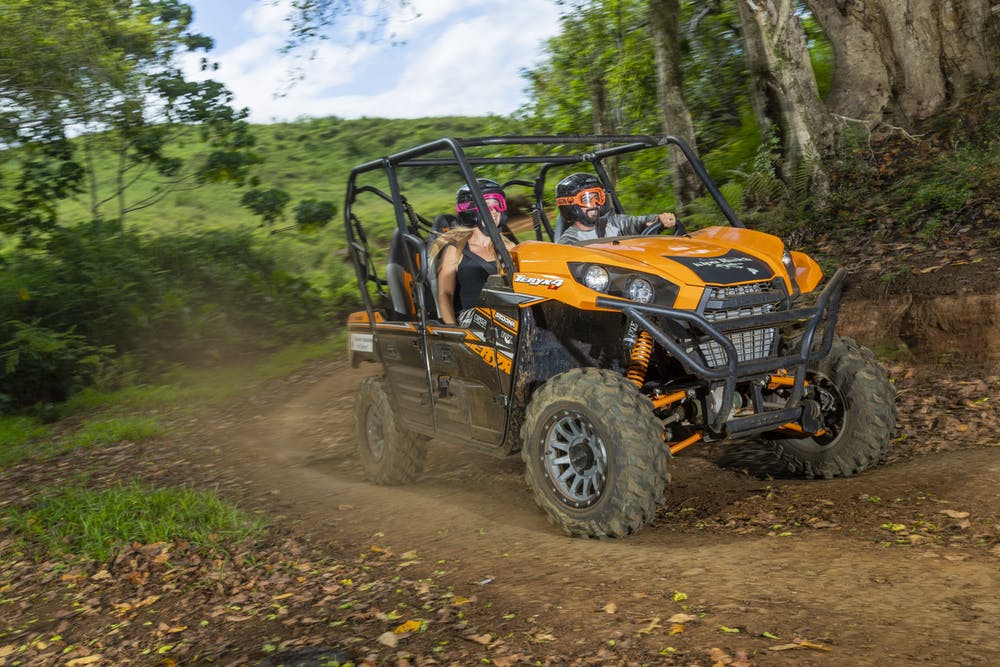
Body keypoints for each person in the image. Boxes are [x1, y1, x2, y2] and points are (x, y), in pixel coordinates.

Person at [429, 178, 516, 326]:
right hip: (473, 320)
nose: (494, 212)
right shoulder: (456, 250)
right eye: (487, 207)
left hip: (507, 318)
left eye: (497, 206)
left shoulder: (509, 248)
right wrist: (453, 330)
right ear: (470, 211)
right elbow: (445, 294)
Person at [555, 172, 677, 244]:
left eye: (598, 197)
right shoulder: (569, 241)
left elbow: (638, 222)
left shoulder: (613, 223)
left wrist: (659, 219)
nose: (595, 203)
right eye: (586, 199)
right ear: (571, 205)